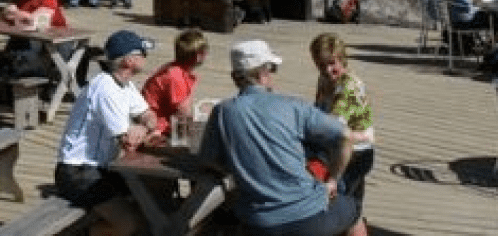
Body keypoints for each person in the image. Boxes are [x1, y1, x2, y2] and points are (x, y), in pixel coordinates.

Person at [198, 40, 367, 236]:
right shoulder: (292, 105)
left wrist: (240, 171)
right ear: (263, 74)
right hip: (308, 214)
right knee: (354, 211)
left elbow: (207, 160)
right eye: (272, 69)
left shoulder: (222, 112)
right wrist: (333, 180)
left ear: (235, 78)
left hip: (257, 223)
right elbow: (345, 136)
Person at [55, 30, 159, 236]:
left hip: (100, 168)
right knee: (129, 223)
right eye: (142, 53)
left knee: (151, 195)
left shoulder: (124, 84)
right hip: (78, 171)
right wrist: (142, 128)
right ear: (128, 61)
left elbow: (149, 115)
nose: (146, 58)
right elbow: (128, 141)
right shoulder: (105, 89)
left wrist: (144, 126)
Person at [309, 33, 375, 215]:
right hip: (338, 148)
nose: (327, 70)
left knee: (337, 203)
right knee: (353, 203)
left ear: (342, 59)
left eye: (332, 63)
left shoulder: (349, 87)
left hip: (355, 154)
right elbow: (317, 111)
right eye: (321, 65)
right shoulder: (324, 80)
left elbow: (332, 126)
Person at [140, 28, 208, 141]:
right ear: (198, 56)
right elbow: (182, 112)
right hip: (157, 129)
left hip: (161, 122)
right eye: (205, 51)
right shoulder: (176, 76)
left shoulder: (175, 69)